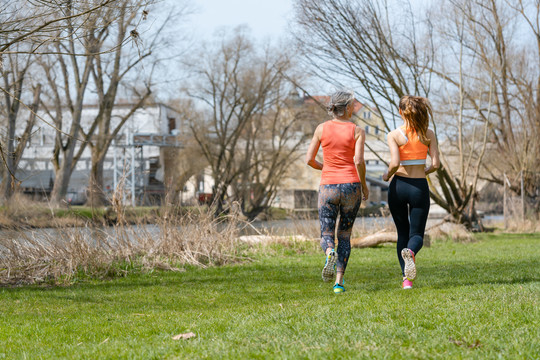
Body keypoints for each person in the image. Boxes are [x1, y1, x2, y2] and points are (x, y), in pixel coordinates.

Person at [306, 90, 369, 294]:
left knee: (326, 232)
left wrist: (325, 167)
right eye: (352, 106)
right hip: (351, 186)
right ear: (348, 108)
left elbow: (309, 159)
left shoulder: (321, 129)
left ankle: (329, 252)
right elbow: (358, 161)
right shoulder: (357, 131)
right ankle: (339, 283)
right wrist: (364, 185)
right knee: (344, 235)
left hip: (328, 187)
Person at [382, 95, 440, 289]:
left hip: (398, 186)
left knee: (402, 233)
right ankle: (411, 253)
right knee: (416, 236)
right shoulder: (428, 134)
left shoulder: (394, 135)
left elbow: (394, 163)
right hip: (418, 187)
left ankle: (406, 280)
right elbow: (436, 164)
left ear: (401, 112)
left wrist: (386, 175)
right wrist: (425, 171)